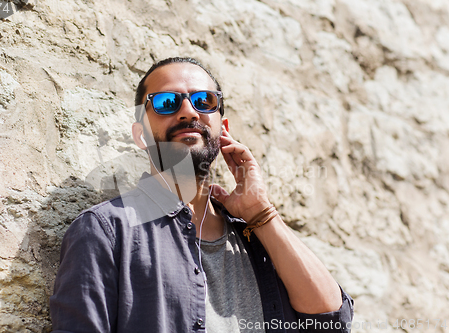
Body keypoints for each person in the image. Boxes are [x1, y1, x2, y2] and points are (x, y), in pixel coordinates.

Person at [50, 57, 354, 332]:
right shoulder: (107, 232)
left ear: (222, 128)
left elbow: (332, 321)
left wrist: (263, 215)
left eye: (203, 100)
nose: (187, 111)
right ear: (140, 135)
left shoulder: (257, 236)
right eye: (167, 102)